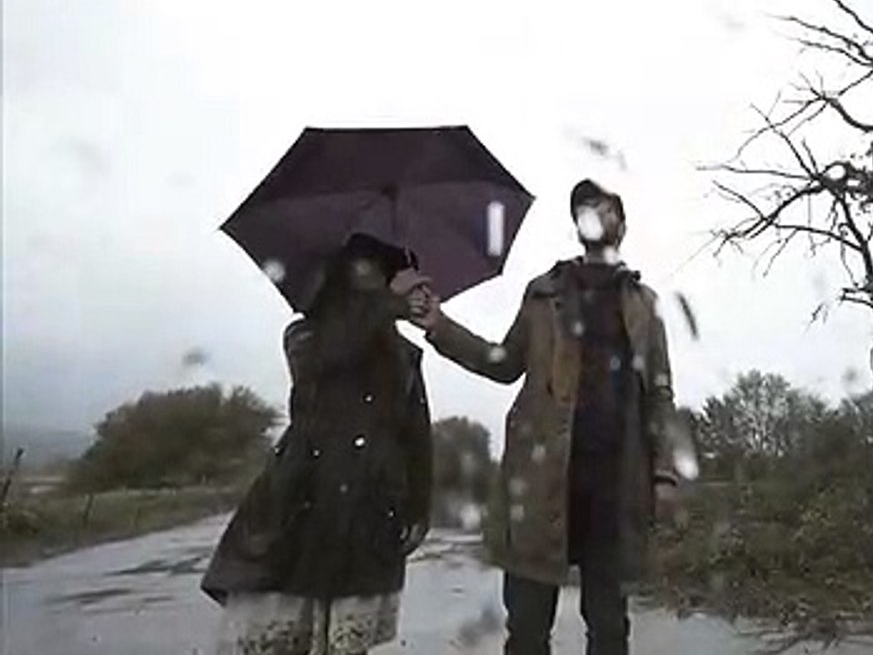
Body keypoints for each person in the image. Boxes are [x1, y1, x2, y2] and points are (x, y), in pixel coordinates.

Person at [412, 179, 683, 655]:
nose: (596, 216)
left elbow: (659, 395)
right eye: (586, 209)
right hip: (540, 481)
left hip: (615, 485)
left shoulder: (644, 304)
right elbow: (502, 363)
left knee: (610, 629)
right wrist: (440, 326)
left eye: (606, 208)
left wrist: (664, 476)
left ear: (622, 224)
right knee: (528, 628)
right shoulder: (543, 294)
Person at [202, 233, 435, 655]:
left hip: (370, 506)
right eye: (364, 268)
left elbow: (416, 434)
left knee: (347, 643)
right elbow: (324, 367)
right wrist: (389, 305)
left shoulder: (403, 355)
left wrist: (420, 505)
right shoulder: (305, 336)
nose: (376, 280)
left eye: (383, 272)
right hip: (301, 499)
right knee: (284, 638)